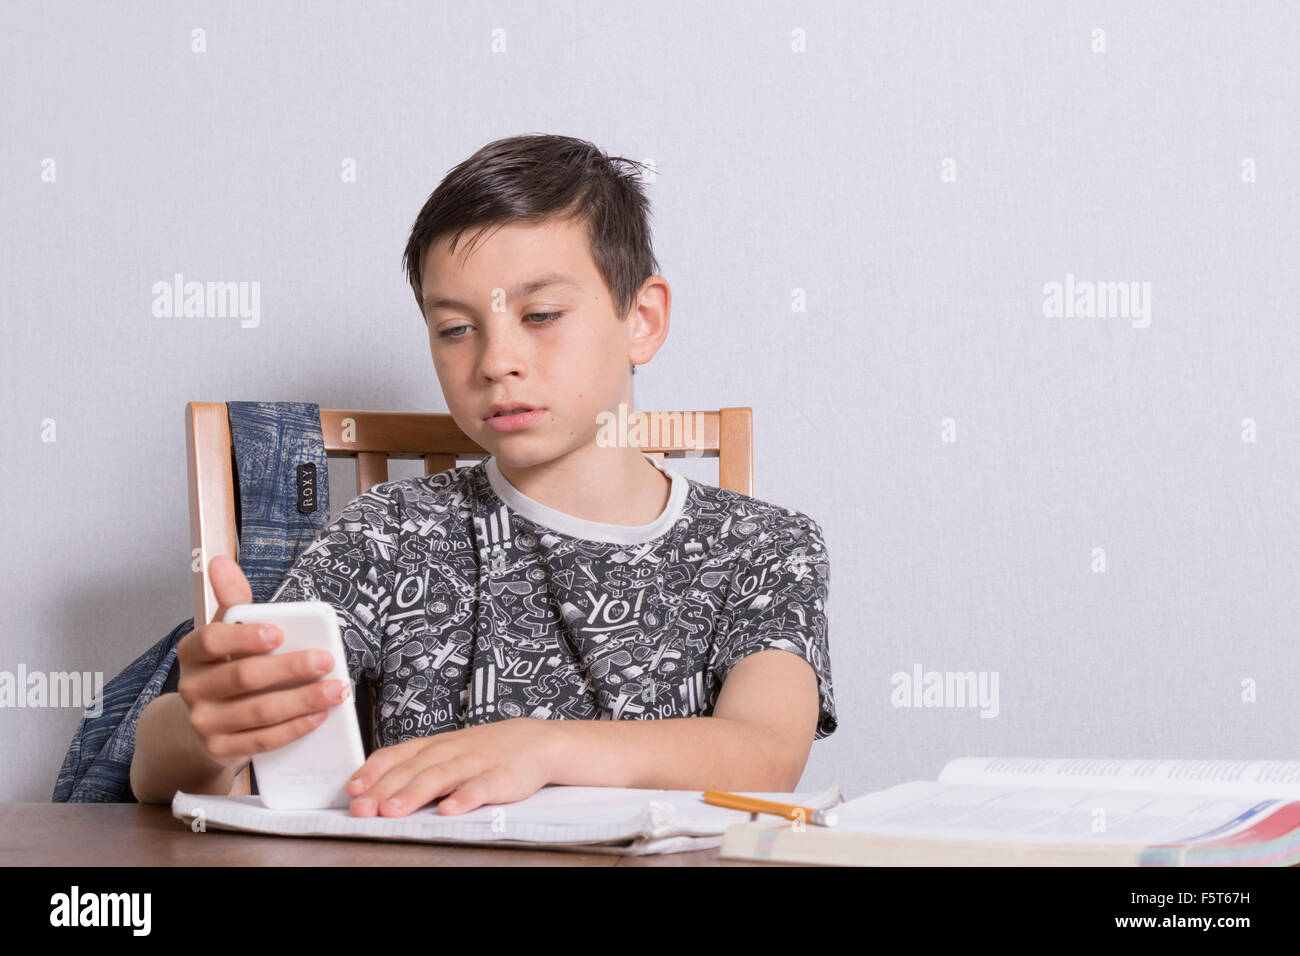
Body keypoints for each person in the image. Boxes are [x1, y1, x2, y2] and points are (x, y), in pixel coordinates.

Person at [131, 133, 837, 817]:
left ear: (642, 320)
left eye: (541, 314)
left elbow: (765, 754)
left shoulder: (762, 544)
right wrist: (206, 723)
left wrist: (541, 748)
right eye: (456, 329)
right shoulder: (390, 532)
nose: (497, 360)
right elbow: (157, 769)